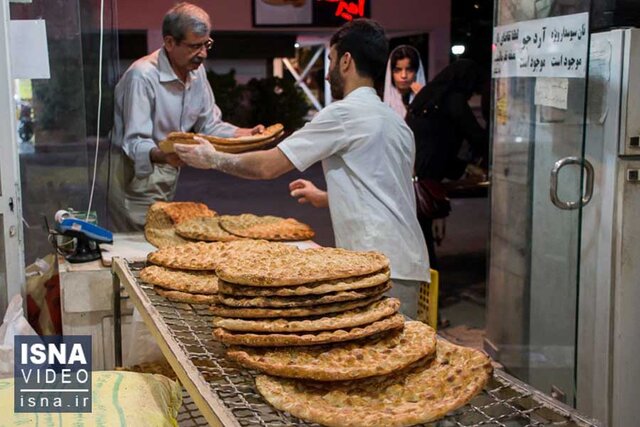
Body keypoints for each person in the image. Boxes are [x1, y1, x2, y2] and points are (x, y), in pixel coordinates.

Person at [174, 19, 430, 318]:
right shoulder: (395, 122)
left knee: (373, 357)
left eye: (331, 60)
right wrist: (326, 196)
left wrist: (213, 158)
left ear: (346, 61)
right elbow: (386, 188)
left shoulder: (345, 113)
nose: (328, 71)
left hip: (376, 264)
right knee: (398, 356)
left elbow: (268, 166)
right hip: (408, 263)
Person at [107, 2, 263, 231]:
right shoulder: (142, 76)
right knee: (141, 244)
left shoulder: (196, 71)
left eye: (206, 44)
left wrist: (246, 134)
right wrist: (164, 155)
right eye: (194, 46)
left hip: (167, 166)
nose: (203, 54)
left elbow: (209, 124)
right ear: (170, 42)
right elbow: (134, 141)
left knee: (160, 238)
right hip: (134, 173)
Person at [384, 48, 488, 269]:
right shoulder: (453, 99)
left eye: (409, 69)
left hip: (406, 179)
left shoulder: (427, 96)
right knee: (423, 244)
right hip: (422, 181)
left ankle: (419, 289)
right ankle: (425, 293)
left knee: (414, 241)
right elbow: (475, 135)